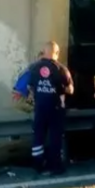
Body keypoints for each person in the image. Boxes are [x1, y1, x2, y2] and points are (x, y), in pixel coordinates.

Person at [28, 41, 74, 176]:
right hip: (55, 108)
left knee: (38, 135)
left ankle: (38, 164)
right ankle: (55, 166)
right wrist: (60, 88)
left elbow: (30, 87)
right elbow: (70, 90)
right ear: (57, 53)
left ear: (44, 52)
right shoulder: (61, 69)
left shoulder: (34, 68)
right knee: (55, 137)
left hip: (40, 107)